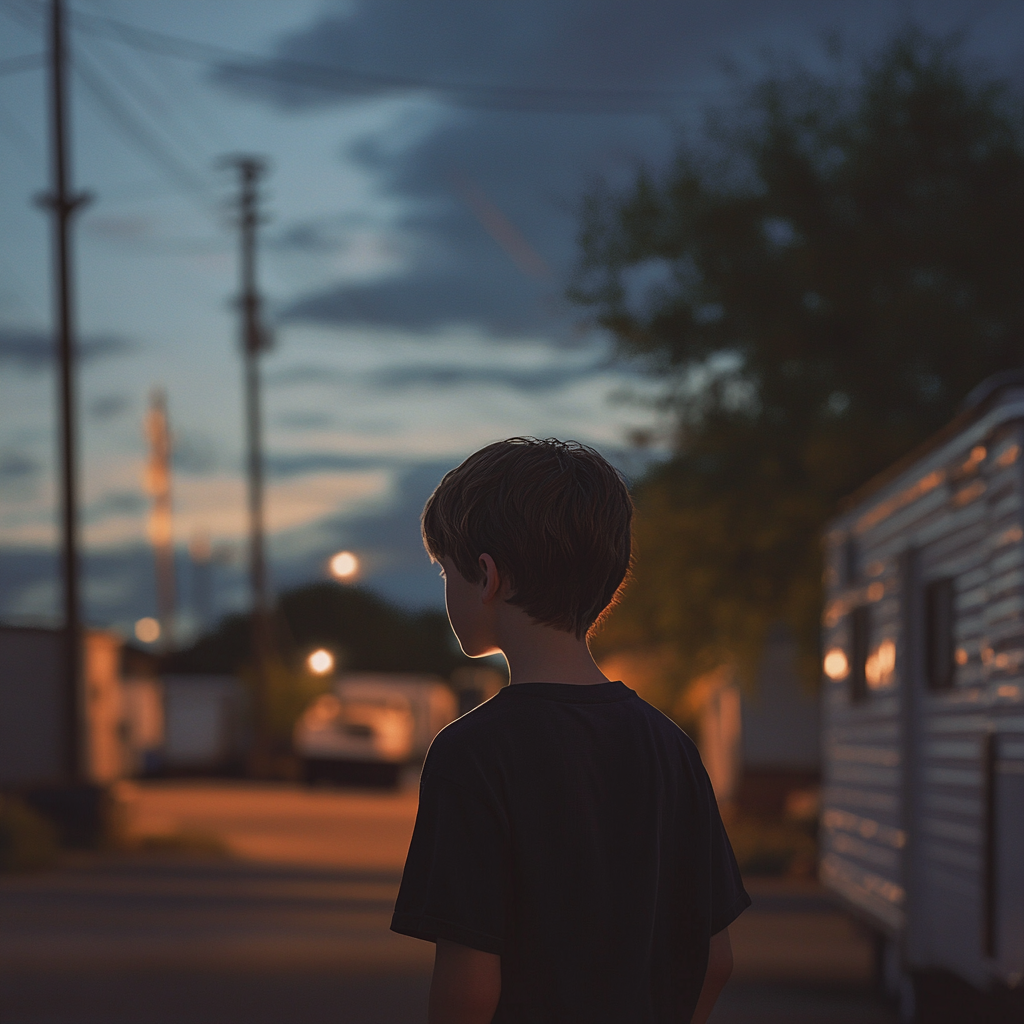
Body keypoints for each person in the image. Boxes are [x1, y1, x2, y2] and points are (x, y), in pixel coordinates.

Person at [391, 438, 749, 1024]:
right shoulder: (671, 748)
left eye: (444, 570)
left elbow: (471, 980)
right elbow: (715, 961)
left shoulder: (472, 752)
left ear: (487, 577)